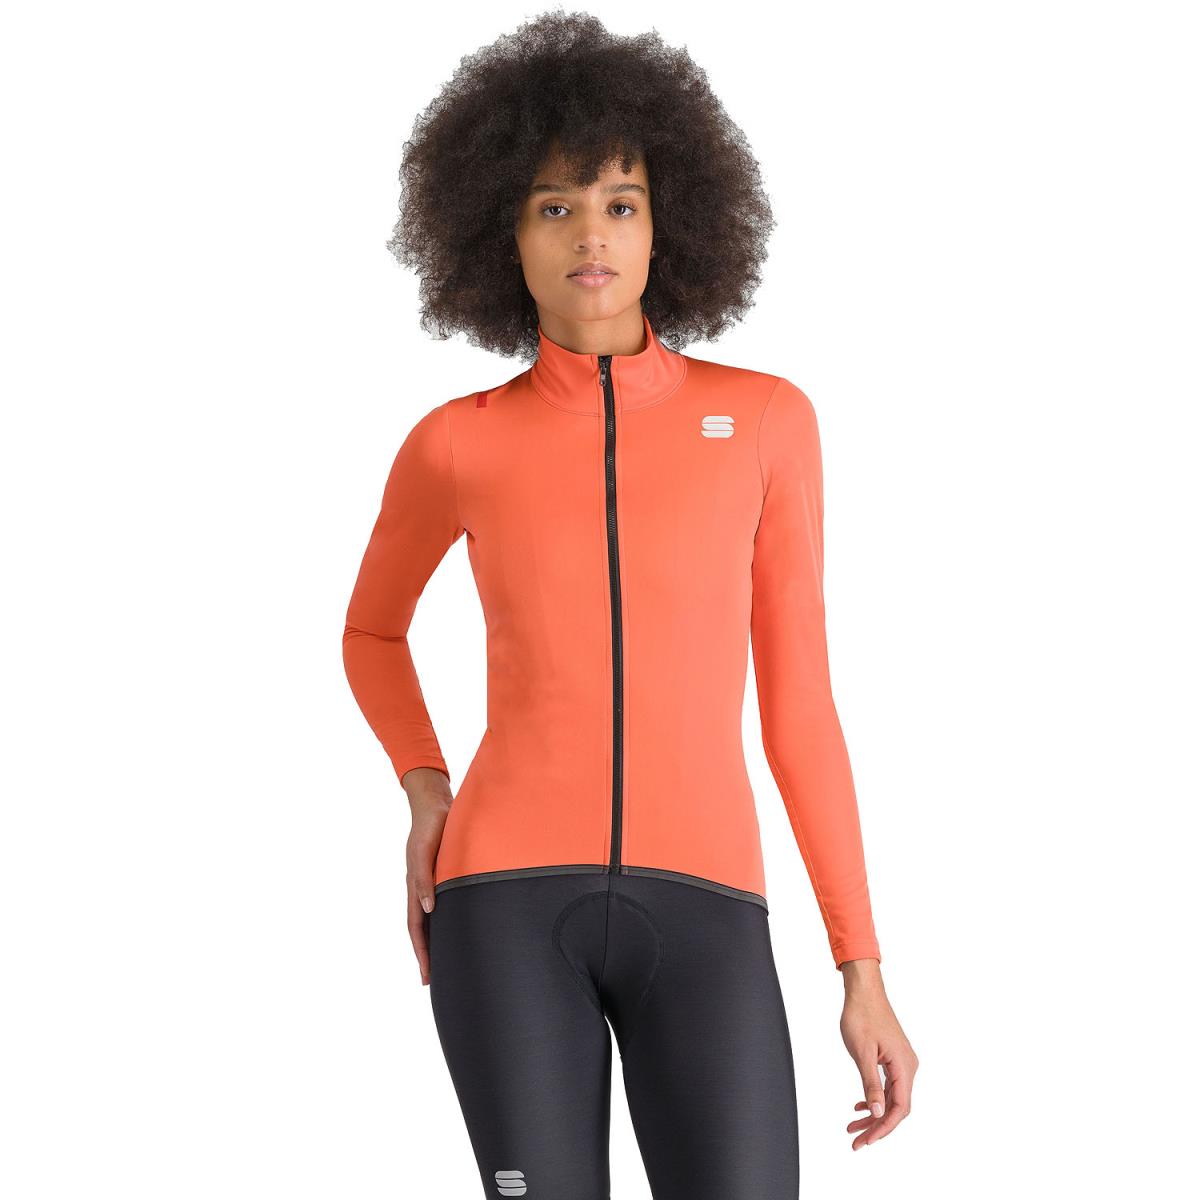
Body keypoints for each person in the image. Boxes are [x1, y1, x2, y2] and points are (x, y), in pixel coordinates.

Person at [342, 11, 918, 1197]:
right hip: (502, 904)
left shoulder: (765, 422)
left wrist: (859, 964)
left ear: (670, 223)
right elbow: (371, 631)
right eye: (554, 205)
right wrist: (425, 786)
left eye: (622, 201)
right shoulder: (456, 442)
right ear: (502, 230)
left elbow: (801, 707)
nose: (591, 234)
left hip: (708, 905)